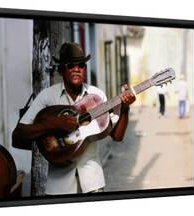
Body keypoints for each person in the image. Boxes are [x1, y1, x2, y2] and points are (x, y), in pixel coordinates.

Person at [12, 42, 136, 195]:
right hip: (58, 187)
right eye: (71, 65)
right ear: (62, 69)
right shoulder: (47, 97)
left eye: (81, 65)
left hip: (93, 183)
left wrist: (125, 108)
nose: (77, 69)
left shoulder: (96, 96)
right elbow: (19, 132)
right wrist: (53, 124)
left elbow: (117, 136)